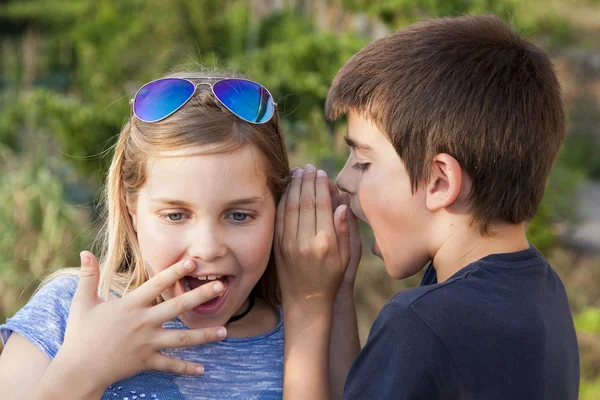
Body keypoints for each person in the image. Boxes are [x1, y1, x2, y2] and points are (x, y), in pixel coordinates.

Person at [275, 14, 580, 399]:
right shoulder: (540, 290)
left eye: (364, 163)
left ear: (440, 181)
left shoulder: (425, 323)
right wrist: (336, 295)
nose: (345, 181)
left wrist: (307, 308)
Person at [0, 72, 294, 399]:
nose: (208, 248)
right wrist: (82, 371)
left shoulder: (299, 341)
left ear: (280, 209)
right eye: (175, 215)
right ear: (131, 209)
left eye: (239, 215)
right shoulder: (66, 315)